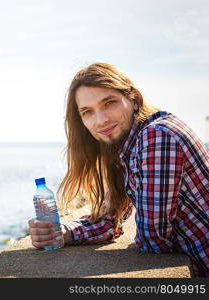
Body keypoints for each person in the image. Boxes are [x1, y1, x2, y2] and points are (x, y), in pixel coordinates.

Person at [28, 62, 209, 277]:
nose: (101, 120)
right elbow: (110, 221)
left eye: (109, 103)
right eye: (88, 112)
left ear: (133, 99)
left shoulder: (157, 136)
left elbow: (153, 239)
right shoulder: (126, 145)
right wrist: (63, 232)